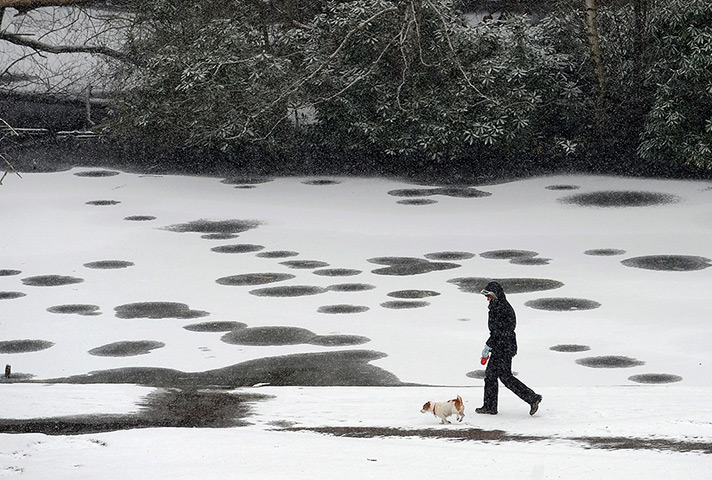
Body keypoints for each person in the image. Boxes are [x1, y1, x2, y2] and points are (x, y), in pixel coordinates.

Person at [476, 281, 542, 416]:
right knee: (492, 376)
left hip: (504, 347)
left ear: (495, 295)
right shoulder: (496, 306)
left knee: (504, 377)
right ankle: (490, 406)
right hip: (501, 346)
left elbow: (502, 331)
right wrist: (490, 344)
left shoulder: (503, 309)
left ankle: (532, 398)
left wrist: (489, 345)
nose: (487, 299)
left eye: (488, 296)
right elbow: (496, 331)